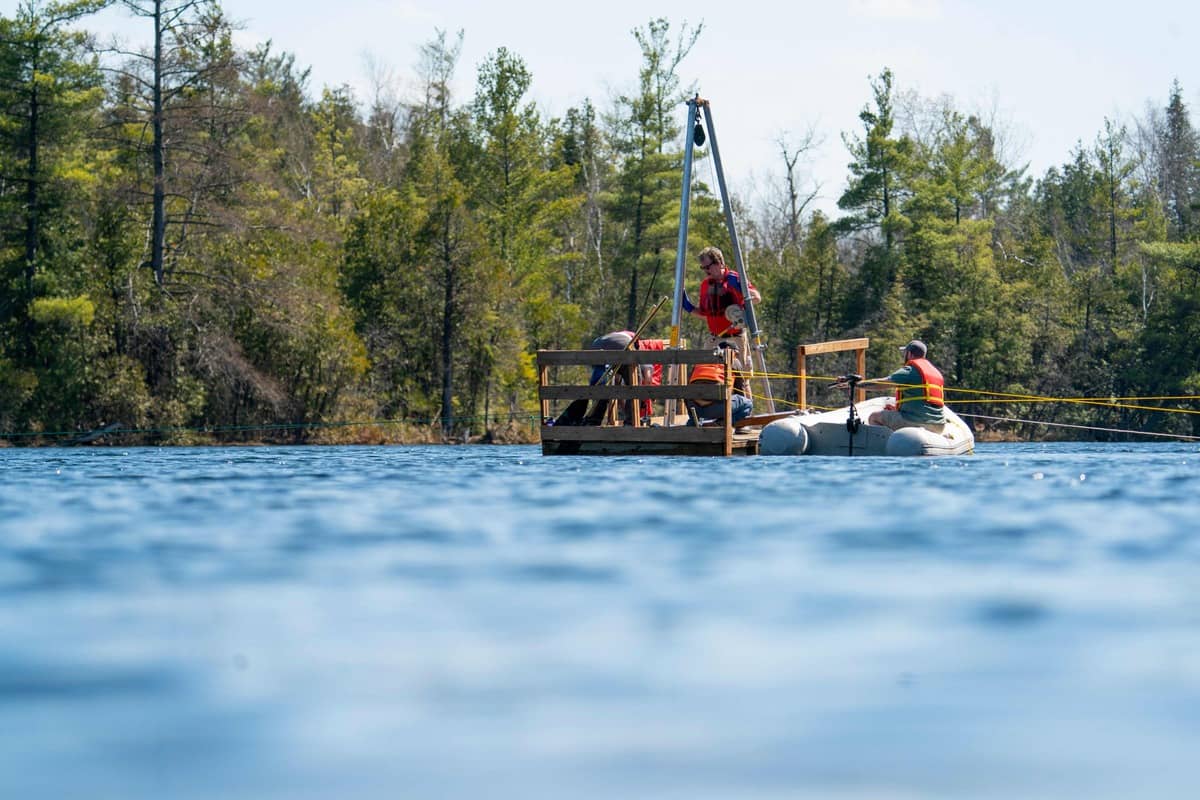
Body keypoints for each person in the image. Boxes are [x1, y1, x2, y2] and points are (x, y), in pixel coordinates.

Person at [834, 339, 946, 430]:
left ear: (909, 354)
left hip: (917, 422)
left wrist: (855, 384)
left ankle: (884, 449)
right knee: (890, 414)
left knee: (874, 417)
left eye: (905, 353)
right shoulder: (935, 372)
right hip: (939, 425)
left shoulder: (910, 370)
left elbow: (881, 384)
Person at [681, 246, 761, 342]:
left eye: (708, 267)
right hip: (715, 338)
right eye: (703, 268)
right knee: (704, 351)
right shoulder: (705, 285)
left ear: (719, 263)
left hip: (737, 337)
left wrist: (742, 291)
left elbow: (757, 298)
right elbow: (704, 314)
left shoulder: (734, 278)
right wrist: (688, 307)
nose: (706, 271)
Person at [685, 341, 753, 425]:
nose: (736, 357)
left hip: (695, 408)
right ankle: (721, 424)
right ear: (728, 349)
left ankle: (693, 422)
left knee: (692, 393)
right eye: (736, 354)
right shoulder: (733, 360)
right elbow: (740, 391)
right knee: (747, 403)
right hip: (717, 409)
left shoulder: (700, 361)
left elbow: (688, 385)